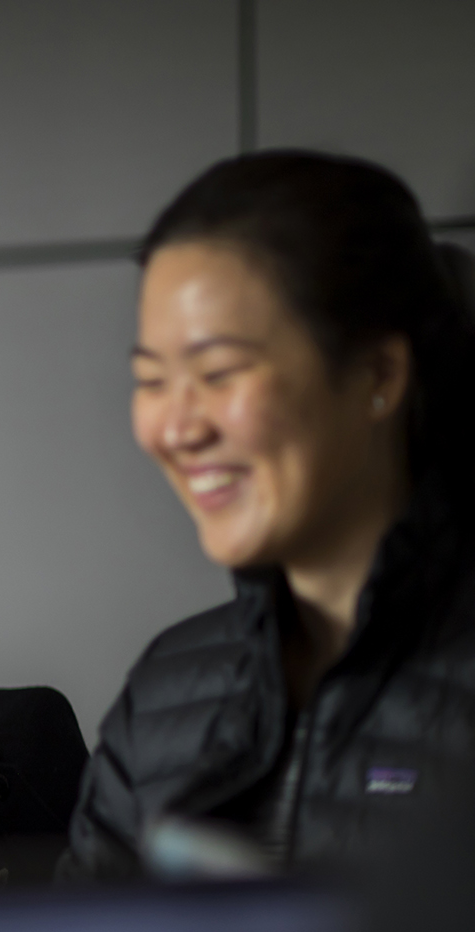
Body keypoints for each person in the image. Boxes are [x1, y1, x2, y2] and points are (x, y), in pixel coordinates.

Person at [66, 151, 475, 877]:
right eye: (151, 380)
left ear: (378, 374)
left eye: (219, 374)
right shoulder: (168, 687)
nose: (178, 427)